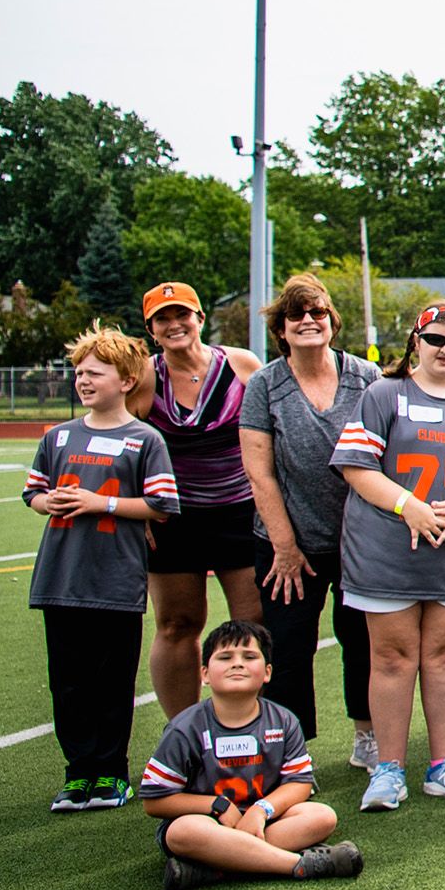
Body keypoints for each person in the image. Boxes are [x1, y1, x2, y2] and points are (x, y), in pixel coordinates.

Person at [334, 302, 445, 811]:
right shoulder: (383, 394)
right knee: (391, 659)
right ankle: (388, 768)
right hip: (387, 550)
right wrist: (407, 504)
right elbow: (356, 467)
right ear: (416, 341)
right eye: (437, 339)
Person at [27, 324, 179, 812]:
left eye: (95, 372)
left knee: (112, 683)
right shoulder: (58, 436)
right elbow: (33, 493)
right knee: (68, 682)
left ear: (127, 380)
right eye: (79, 372)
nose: (84, 380)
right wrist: (45, 501)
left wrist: (101, 503)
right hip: (62, 580)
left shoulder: (144, 440)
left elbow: (161, 505)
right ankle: (78, 774)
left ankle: (111, 773)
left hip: (115, 580)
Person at [237, 273, 380, 753]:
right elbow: (260, 473)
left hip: (358, 538)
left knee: (362, 639)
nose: (308, 320)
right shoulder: (265, 385)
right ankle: (292, 752)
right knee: (289, 646)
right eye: (296, 314)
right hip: (288, 540)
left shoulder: (366, 377)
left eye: (317, 311)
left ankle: (367, 735)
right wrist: (284, 546)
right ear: (281, 328)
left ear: (332, 322)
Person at [138, 621, 362, 890]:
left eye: (249, 656)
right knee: (182, 832)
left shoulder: (283, 721)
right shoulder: (184, 729)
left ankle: (212, 869)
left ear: (267, 672)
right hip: (208, 824)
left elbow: (300, 784)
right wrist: (216, 805)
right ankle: (299, 864)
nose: (237, 664)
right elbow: (154, 801)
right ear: (205, 674)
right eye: (225, 657)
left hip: (265, 820)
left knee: (321, 816)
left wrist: (261, 810)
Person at [131, 280, 266, 718]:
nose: (174, 325)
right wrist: (141, 509)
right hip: (175, 519)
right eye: (162, 319)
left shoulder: (241, 364)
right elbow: (123, 440)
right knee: (176, 625)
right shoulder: (146, 377)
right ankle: (183, 733)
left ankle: (250, 727)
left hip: (240, 512)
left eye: (182, 315)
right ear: (151, 329)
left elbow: (271, 435)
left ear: (200, 319)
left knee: (253, 624)